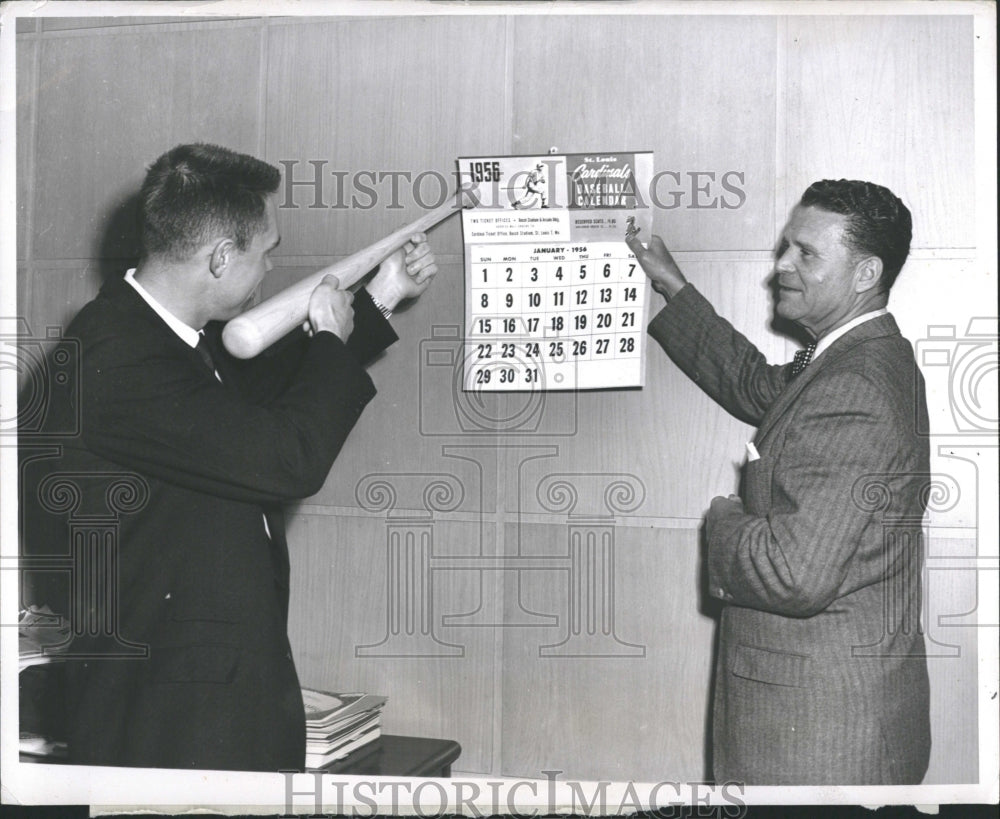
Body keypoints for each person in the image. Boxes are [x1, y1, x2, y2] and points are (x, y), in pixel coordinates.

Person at [20, 143, 438, 771]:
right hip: (168, 730)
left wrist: (381, 297)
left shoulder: (160, 338)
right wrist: (327, 335)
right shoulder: (117, 360)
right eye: (266, 250)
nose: (272, 268)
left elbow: (259, 408)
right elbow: (288, 455)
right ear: (220, 257)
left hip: (203, 708)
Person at [627, 179, 931, 785]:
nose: (780, 267)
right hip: (836, 717)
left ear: (865, 273)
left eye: (806, 253)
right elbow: (756, 387)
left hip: (820, 736)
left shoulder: (854, 385)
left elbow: (792, 573)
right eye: (785, 247)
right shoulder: (857, 359)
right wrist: (671, 284)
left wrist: (723, 520)